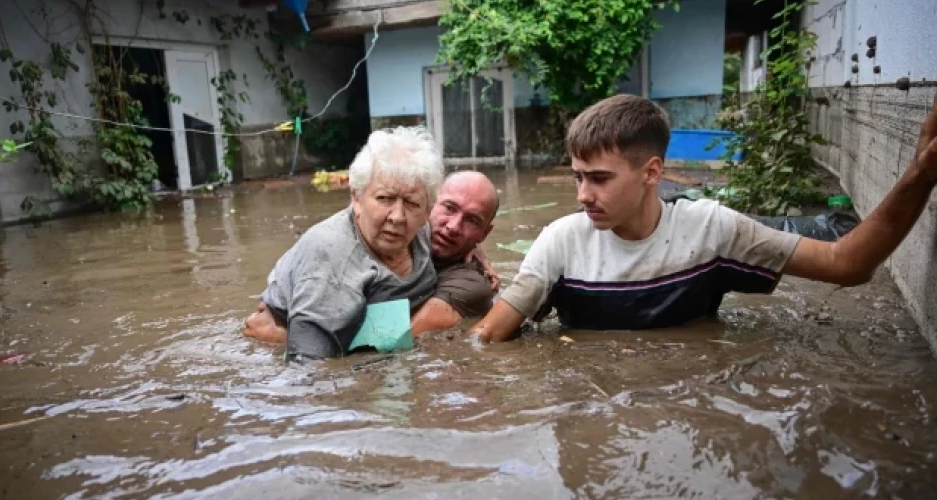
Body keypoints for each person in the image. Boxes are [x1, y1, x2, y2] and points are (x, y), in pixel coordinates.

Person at [470, 93, 937, 342]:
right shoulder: (562, 241)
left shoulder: (711, 229)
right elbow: (487, 339)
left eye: (599, 179)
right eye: (577, 177)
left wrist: (919, 175)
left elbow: (847, 264)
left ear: (652, 172)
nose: (583, 195)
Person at [243, 125, 444, 359]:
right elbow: (308, 368)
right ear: (356, 198)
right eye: (384, 199)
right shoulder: (332, 257)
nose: (397, 217)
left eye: (411, 203)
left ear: (427, 211)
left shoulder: (424, 230)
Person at [410, 171, 500, 334]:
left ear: (484, 234)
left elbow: (403, 338)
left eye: (472, 221)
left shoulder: (472, 286)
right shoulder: (403, 227)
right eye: (449, 208)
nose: (453, 227)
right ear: (429, 203)